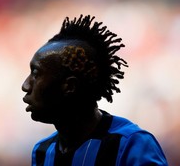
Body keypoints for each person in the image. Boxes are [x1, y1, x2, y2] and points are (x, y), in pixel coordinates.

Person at [22, 15, 168, 166]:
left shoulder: (130, 145)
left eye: (36, 74)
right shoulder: (42, 151)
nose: (25, 86)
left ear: (70, 86)